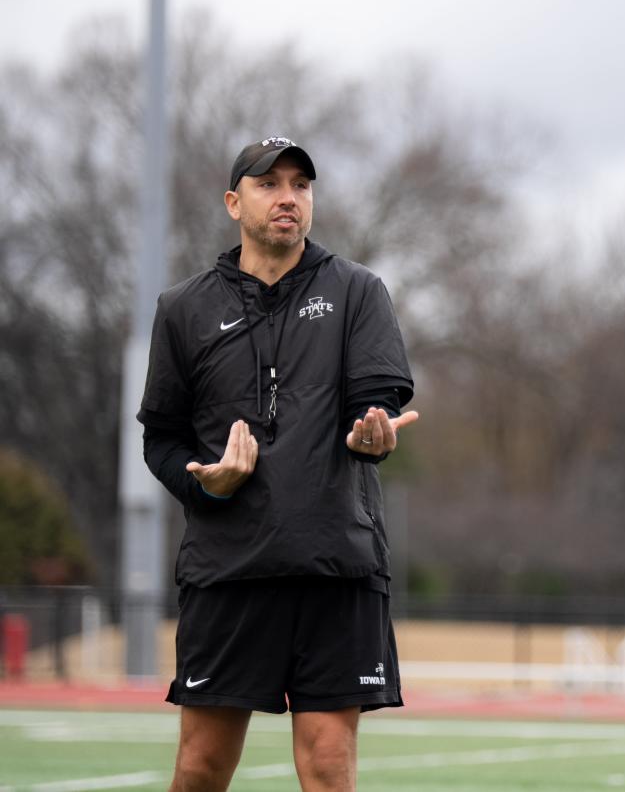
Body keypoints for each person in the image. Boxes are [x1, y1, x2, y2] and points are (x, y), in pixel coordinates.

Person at [137, 136, 418, 791]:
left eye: (301, 185)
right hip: (228, 570)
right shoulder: (184, 309)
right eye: (269, 184)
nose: (289, 197)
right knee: (201, 766)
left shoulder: (358, 292)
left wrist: (370, 437)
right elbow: (162, 440)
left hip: (335, 565)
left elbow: (374, 408)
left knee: (327, 764)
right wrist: (203, 483)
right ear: (235, 202)